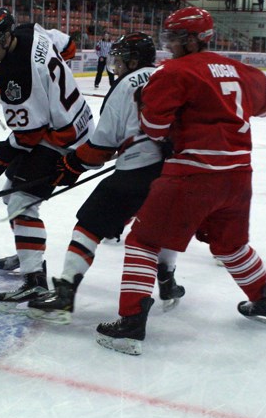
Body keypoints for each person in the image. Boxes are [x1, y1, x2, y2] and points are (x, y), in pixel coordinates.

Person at [95, 7, 266, 356]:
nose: (170, 46)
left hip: (193, 174)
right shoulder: (242, 70)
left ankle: (131, 324)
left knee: (141, 241)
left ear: (195, 39)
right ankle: (265, 303)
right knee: (231, 245)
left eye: (176, 39)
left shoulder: (174, 72)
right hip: (239, 177)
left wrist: (147, 106)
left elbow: (154, 128)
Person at [26, 33, 184, 325]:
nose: (117, 65)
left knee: (88, 225)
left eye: (121, 59)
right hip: (174, 171)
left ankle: (65, 293)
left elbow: (101, 145)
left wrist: (72, 163)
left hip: (135, 171)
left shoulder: (124, 86)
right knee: (161, 228)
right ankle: (168, 280)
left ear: (133, 61)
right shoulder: (168, 77)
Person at [0, 7, 94, 312]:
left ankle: (34, 277)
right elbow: (69, 47)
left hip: (63, 140)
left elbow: (28, 135)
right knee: (12, 187)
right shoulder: (31, 30)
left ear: (4, 37)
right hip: (80, 120)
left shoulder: (14, 77)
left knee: (20, 200)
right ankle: (28, 250)